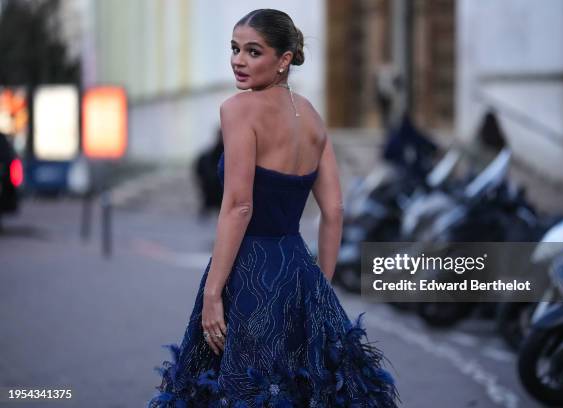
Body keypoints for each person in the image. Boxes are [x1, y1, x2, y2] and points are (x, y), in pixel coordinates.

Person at [147, 9, 400, 407]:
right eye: (235, 49)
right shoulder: (314, 119)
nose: (238, 60)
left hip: (247, 273)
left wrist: (213, 292)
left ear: (284, 60)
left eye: (253, 51)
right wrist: (321, 288)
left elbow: (238, 206)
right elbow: (334, 211)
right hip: (299, 274)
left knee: (239, 390)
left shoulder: (238, 110)